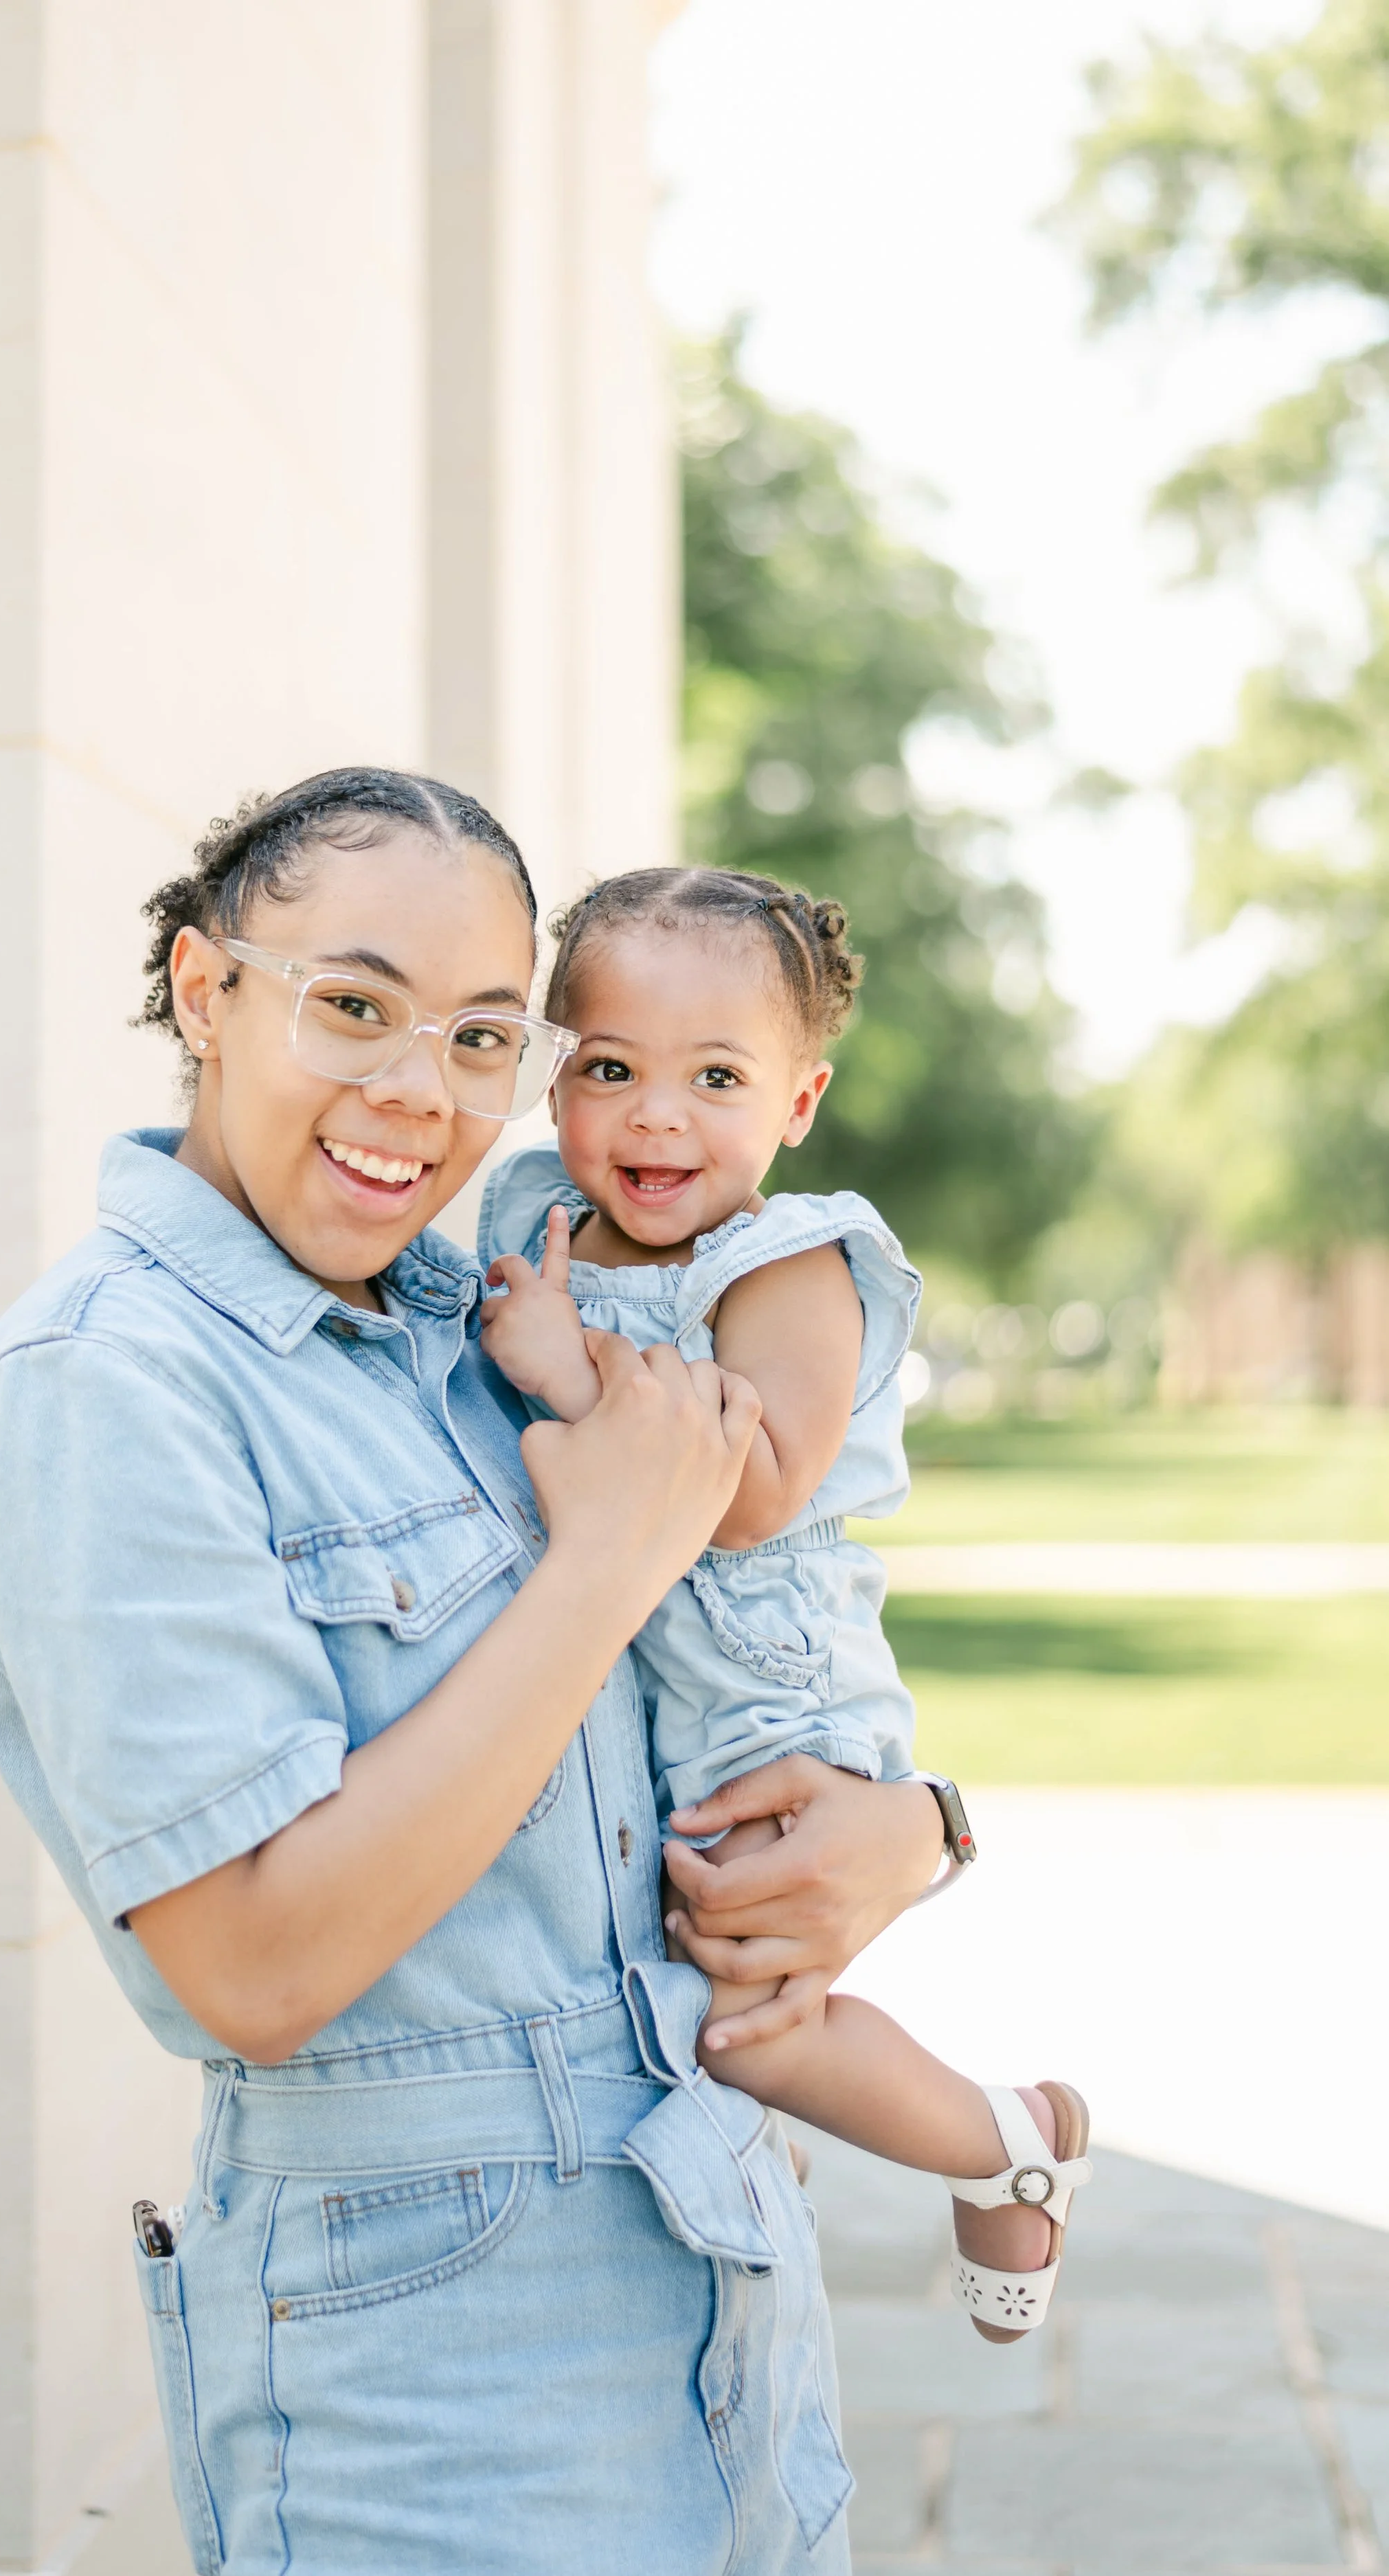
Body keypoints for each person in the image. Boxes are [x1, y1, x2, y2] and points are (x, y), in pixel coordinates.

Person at [0, 771, 951, 2575]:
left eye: (484, 1036)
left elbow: (721, 1655)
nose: (421, 1094)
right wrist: (609, 1553)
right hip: (433, 2358)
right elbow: (251, 1960)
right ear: (202, 991)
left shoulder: (468, 1302)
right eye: (353, 1004)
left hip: (713, 2266)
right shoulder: (108, 1382)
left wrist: (914, 1825)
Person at [477, 867, 1090, 2343]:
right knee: (683, 1997)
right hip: (643, 1676)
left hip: (770, 1691)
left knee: (751, 2027)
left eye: (714, 1078)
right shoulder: (525, 1214)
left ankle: (1005, 2142)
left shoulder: (789, 1262)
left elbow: (747, 1493)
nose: (654, 1118)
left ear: (797, 1101)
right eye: (608, 1068)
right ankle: (792, 2136)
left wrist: (567, 1374)